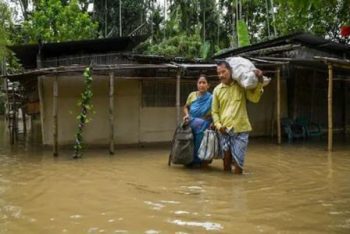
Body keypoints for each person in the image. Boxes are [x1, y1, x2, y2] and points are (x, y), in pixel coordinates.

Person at [212, 61, 264, 174]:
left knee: (238, 166)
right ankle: (227, 189)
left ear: (230, 71)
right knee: (226, 164)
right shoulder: (217, 90)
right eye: (218, 73)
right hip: (224, 130)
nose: (221, 75)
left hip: (241, 130)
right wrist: (218, 125)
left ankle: (237, 189)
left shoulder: (241, 86)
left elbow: (254, 99)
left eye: (223, 72)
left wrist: (260, 81)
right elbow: (215, 112)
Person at [183, 74, 212, 167]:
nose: (202, 85)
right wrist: (187, 115)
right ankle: (188, 159)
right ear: (197, 84)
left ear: (208, 85)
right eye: (200, 82)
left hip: (204, 123)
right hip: (191, 121)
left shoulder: (212, 98)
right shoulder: (192, 95)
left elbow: (215, 112)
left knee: (201, 131)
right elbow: (185, 107)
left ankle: (198, 160)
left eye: (204, 83)